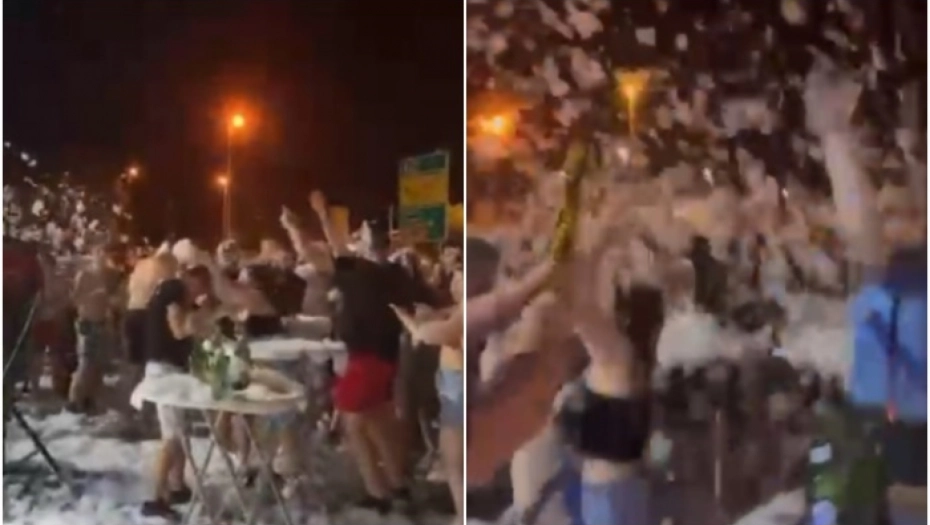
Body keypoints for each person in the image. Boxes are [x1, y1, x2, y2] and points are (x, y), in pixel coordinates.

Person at [308, 189, 422, 513]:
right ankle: (397, 486)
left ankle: (378, 491)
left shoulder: (360, 272)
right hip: (387, 357)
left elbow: (336, 244)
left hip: (365, 360)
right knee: (376, 422)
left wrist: (322, 213)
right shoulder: (397, 274)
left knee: (354, 424)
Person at [140, 264, 217, 520]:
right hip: (164, 372)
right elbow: (179, 329)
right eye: (201, 287)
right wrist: (207, 313)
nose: (201, 294)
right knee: (172, 437)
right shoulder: (173, 290)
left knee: (180, 433)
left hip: (172, 371)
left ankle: (177, 486)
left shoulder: (181, 298)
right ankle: (156, 497)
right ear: (193, 281)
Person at [68, 244, 120, 413]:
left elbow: (115, 299)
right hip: (87, 321)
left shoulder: (110, 275)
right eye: (100, 252)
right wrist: (93, 295)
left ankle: (90, 400)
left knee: (99, 364)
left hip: (103, 322)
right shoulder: (84, 274)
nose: (103, 256)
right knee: (85, 364)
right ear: (93, 254)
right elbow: (74, 299)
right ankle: (74, 401)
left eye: (106, 253)